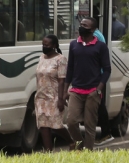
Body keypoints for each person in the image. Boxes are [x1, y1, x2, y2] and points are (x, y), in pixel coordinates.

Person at [65, 17, 111, 151]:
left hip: (93, 91)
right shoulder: (74, 44)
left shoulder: (101, 47)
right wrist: (65, 90)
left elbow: (107, 69)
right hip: (76, 90)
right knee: (71, 122)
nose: (81, 26)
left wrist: (99, 89)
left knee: (90, 125)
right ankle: (79, 145)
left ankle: (88, 152)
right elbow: (70, 68)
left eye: (84, 25)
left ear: (92, 30)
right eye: (80, 24)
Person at [34, 34, 68, 151]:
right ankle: (48, 151)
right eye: (43, 44)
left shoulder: (60, 59)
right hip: (41, 96)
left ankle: (72, 141)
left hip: (54, 96)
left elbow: (61, 80)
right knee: (43, 125)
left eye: (47, 45)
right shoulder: (41, 58)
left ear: (53, 46)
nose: (44, 46)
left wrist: (61, 99)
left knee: (56, 125)